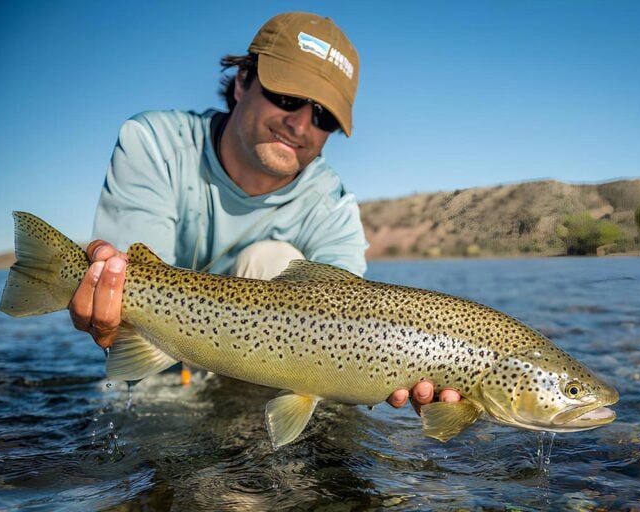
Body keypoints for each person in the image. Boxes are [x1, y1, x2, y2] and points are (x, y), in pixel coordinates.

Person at [69, 12, 460, 412]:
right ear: (242, 82)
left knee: (273, 261)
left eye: (323, 116)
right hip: (159, 365)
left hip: (264, 378)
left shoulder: (333, 205)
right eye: (287, 97)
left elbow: (348, 328)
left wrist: (395, 370)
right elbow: (130, 286)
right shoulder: (154, 144)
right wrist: (105, 293)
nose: (300, 125)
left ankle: (245, 429)